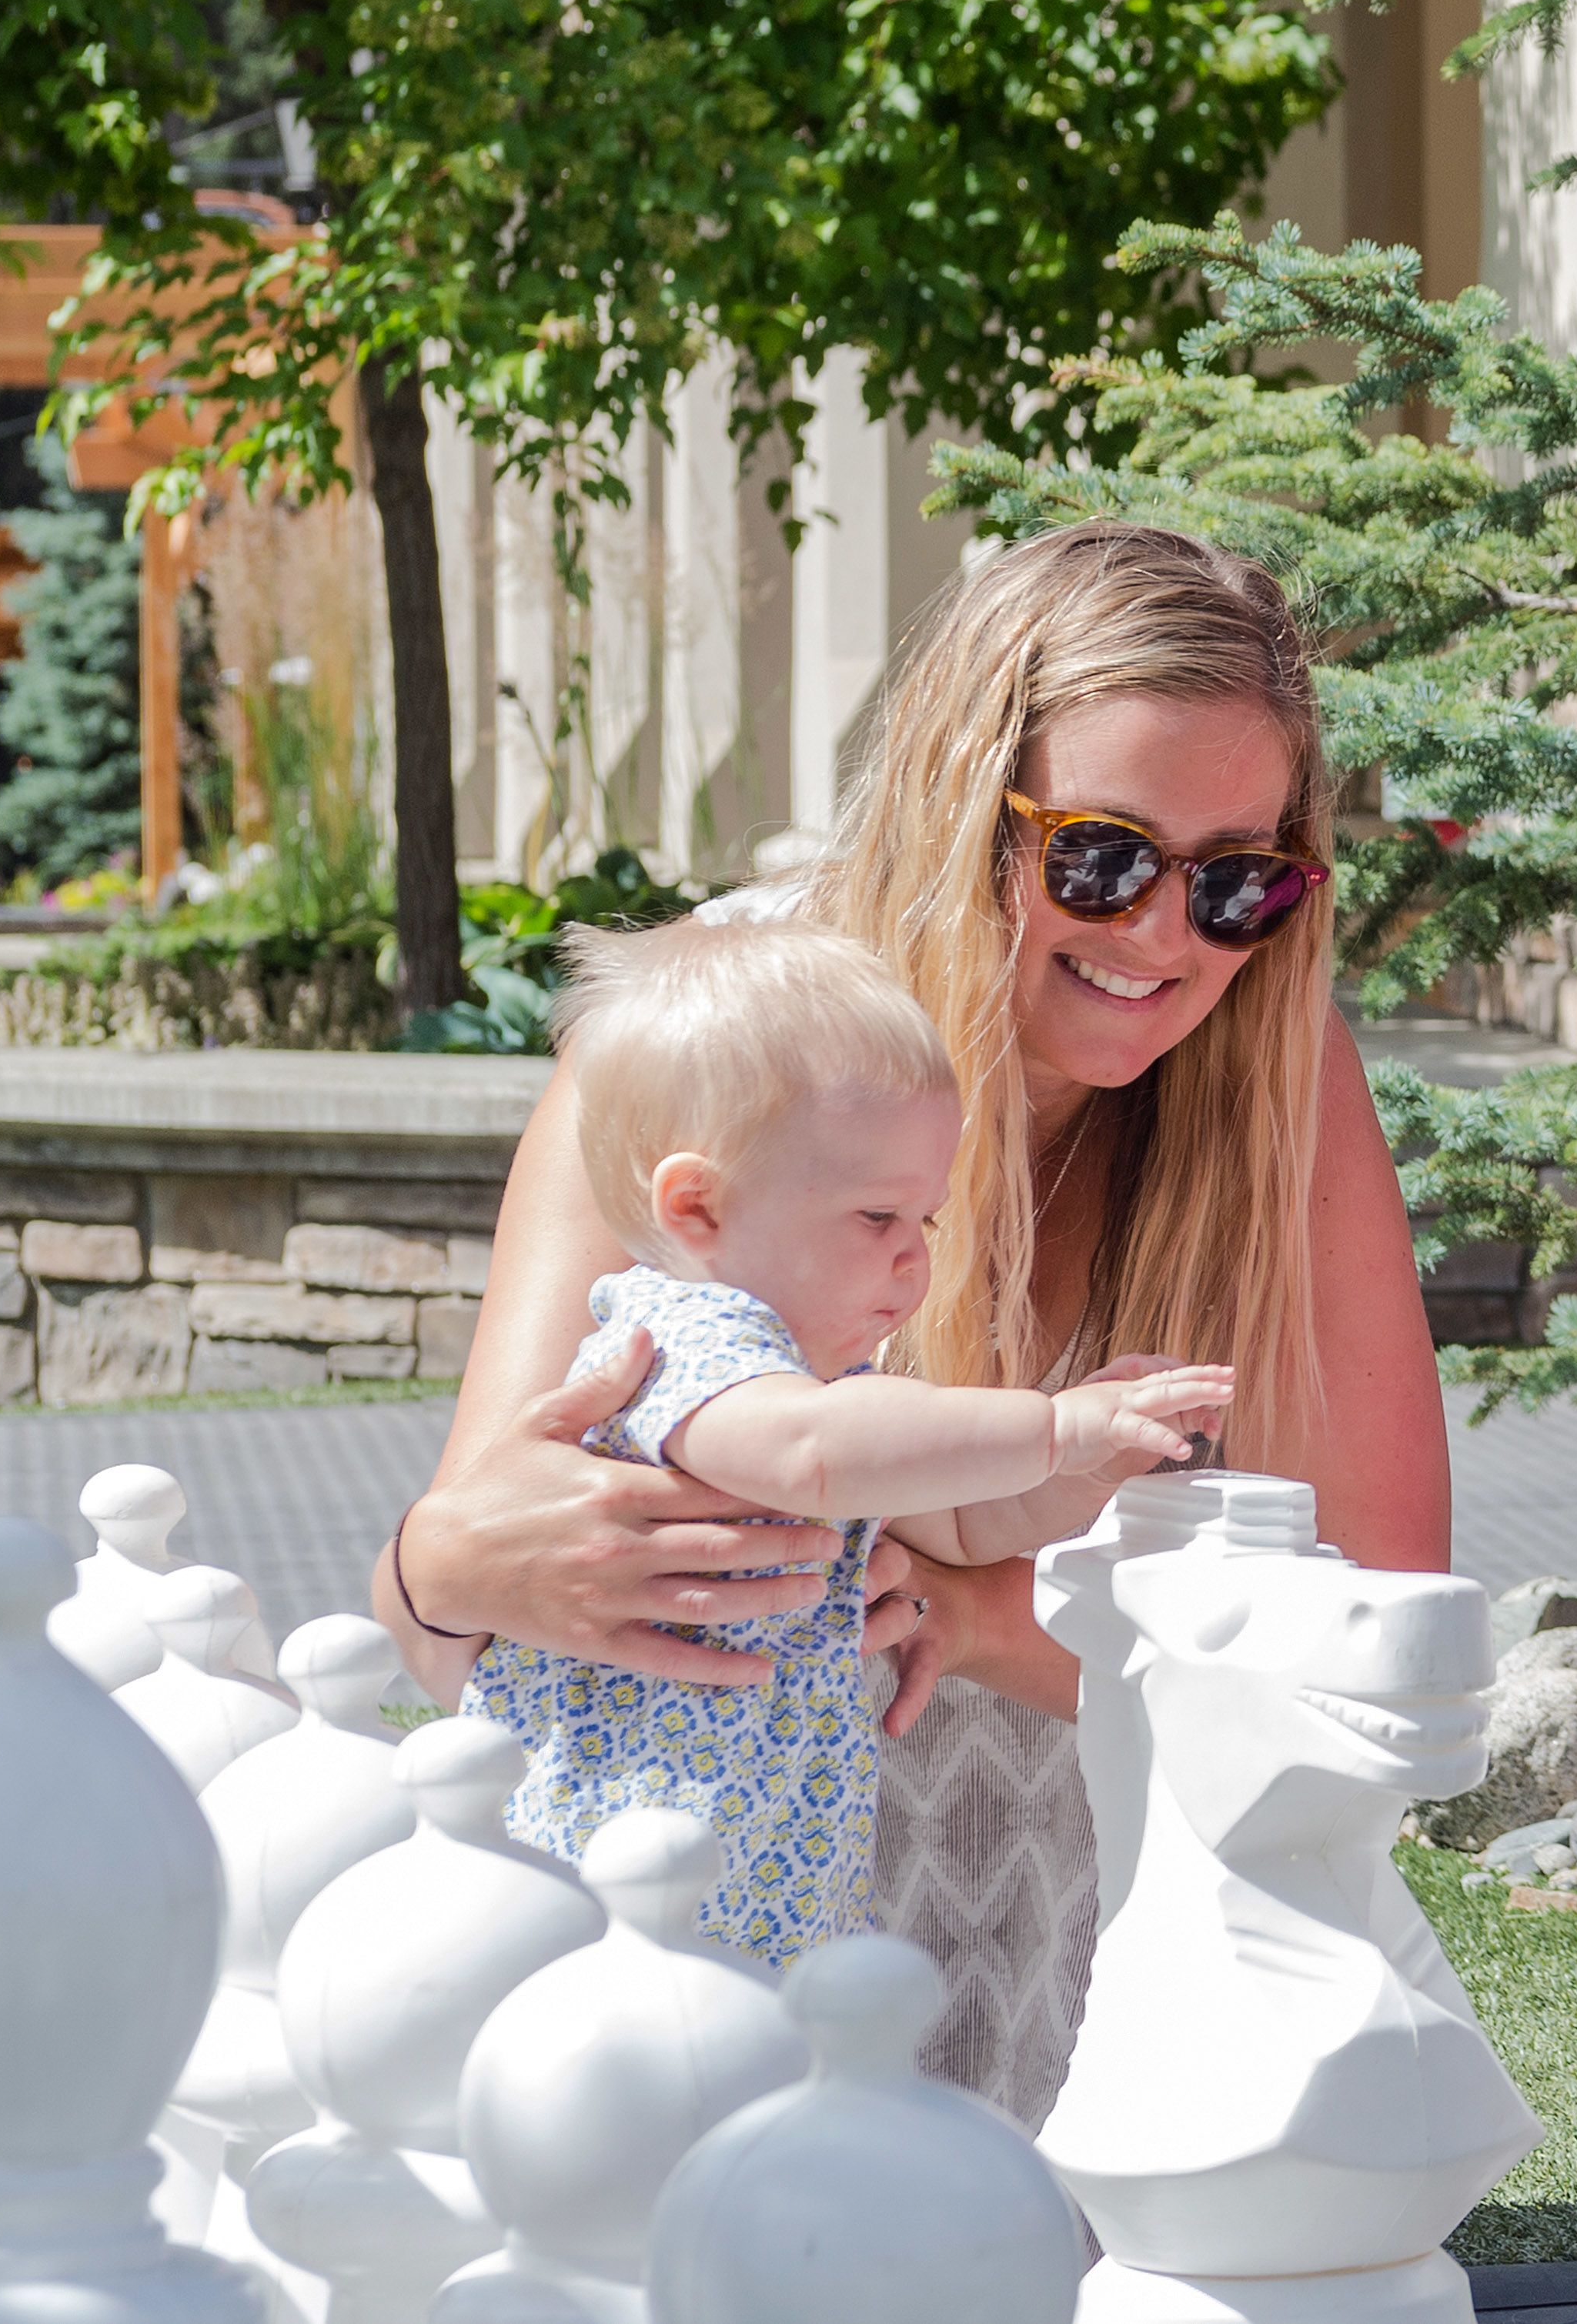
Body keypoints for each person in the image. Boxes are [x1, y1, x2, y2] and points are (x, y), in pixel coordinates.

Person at [375, 522, 1453, 2118]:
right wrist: (449, 1566)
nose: (1165, 935)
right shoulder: (718, 1041)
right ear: (967, 799)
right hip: (709, 1924)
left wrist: (980, 1622)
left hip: (1097, 1934)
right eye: (1100, 856)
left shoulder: (1283, 1072)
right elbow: (442, 1612)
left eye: (1236, 879)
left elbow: (1385, 1633)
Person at [456, 913, 1233, 1962]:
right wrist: (1053, 1423)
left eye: (928, 1222)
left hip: (763, 1877)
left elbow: (964, 1518)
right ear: (699, 1207)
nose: (912, 1261)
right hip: (615, 1874)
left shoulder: (823, 1376)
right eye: (877, 1219)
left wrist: (1094, 1460)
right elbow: (813, 1453)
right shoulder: (680, 1339)